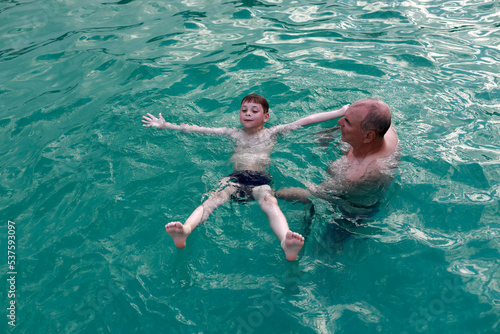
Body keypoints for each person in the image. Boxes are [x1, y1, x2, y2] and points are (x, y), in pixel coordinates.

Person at [142, 94, 349, 261]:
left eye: (254, 111)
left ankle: (286, 242)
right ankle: (185, 230)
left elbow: (305, 121)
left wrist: (339, 113)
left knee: (270, 202)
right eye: (244, 110)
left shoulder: (272, 133)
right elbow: (198, 130)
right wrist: (166, 125)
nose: (248, 114)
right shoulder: (232, 133)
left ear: (266, 117)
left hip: (259, 180)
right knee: (212, 199)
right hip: (235, 179)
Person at [276, 98, 400, 221]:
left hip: (351, 211)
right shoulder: (384, 129)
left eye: (347, 122)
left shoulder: (362, 174)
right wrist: (330, 133)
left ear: (368, 136)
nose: (339, 121)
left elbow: (312, 194)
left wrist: (270, 193)